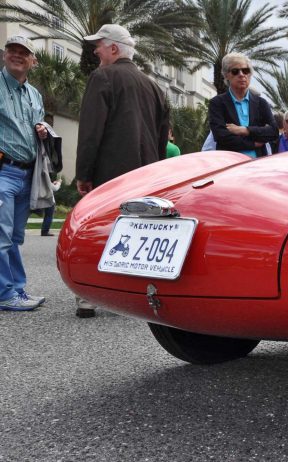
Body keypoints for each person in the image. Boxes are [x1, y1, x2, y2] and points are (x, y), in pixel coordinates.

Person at [75, 24, 170, 318]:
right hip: (146, 174)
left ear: (114, 49)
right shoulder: (155, 87)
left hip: (110, 173)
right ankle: (131, 296)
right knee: (135, 231)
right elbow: (162, 137)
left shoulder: (102, 77)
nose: (95, 50)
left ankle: (88, 296)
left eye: (99, 45)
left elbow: (91, 130)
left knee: (98, 231)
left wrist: (83, 173)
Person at [0, 35, 48, 311]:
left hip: (26, 174)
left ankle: (17, 289)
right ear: (5, 55)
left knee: (15, 237)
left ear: (33, 60)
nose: (17, 55)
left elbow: (35, 124)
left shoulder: (34, 94)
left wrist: (41, 129)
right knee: (1, 236)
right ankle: (5, 294)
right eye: (12, 50)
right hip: (3, 171)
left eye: (23, 52)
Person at [208, 52, 278, 158]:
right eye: (235, 71)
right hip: (229, 164)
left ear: (250, 74)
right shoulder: (217, 103)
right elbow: (221, 136)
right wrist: (253, 143)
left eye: (245, 70)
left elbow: (273, 132)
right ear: (226, 75)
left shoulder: (261, 103)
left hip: (258, 164)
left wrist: (244, 130)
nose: (241, 74)